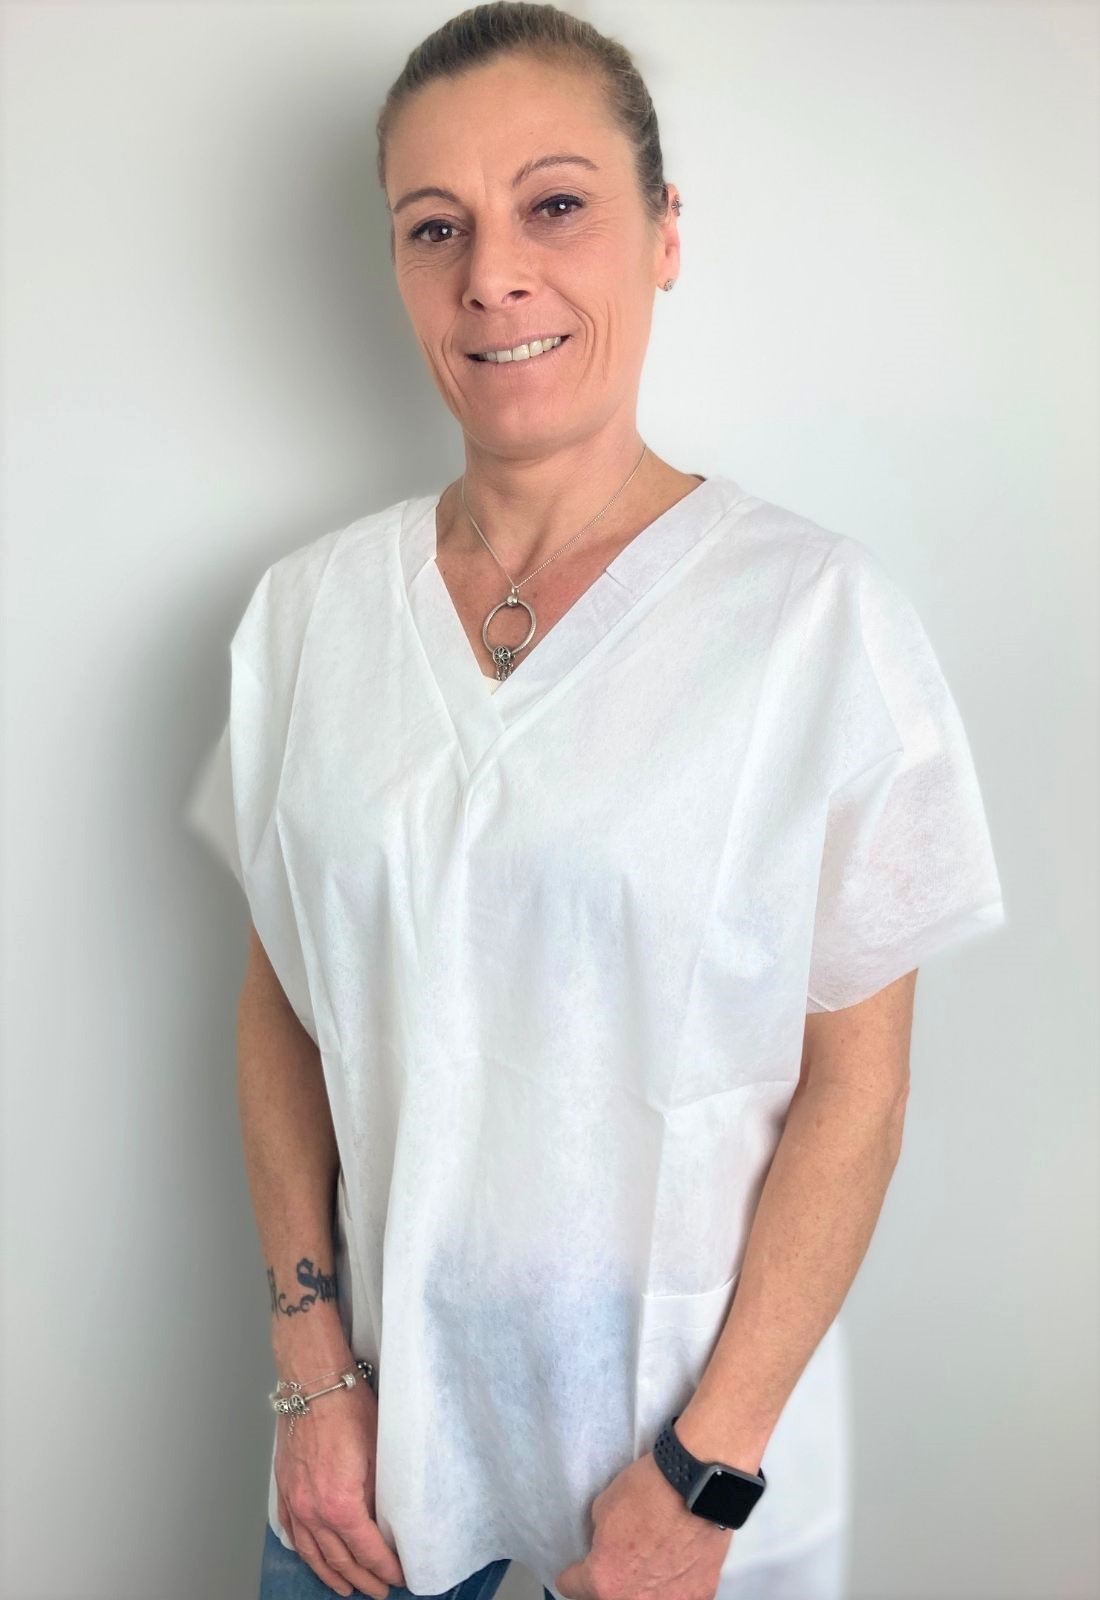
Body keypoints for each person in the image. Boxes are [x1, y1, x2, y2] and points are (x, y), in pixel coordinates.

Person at [185, 4, 1008, 1598]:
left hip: (673, 1516)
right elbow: (283, 1000)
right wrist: (311, 1375)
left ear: (664, 233)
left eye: (554, 205)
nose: (493, 274)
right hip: (364, 1505)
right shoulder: (308, 619)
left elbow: (859, 1091)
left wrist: (704, 1473)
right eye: (437, 227)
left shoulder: (814, 624)